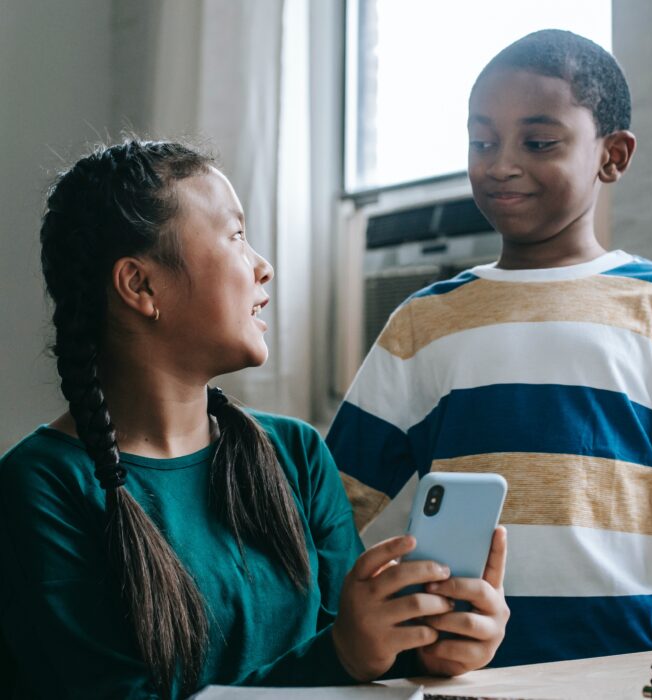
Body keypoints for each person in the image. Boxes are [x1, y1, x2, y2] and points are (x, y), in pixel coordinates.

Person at [0, 140, 509, 699]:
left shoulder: (296, 453)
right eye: (236, 237)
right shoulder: (37, 489)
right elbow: (334, 656)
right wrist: (342, 654)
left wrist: (424, 649)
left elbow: (353, 662)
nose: (263, 267)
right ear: (141, 285)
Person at [327, 29, 652, 666]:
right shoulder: (423, 322)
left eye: (538, 142)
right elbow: (336, 511)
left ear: (613, 155)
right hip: (458, 674)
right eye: (481, 141)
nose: (500, 163)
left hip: (625, 671)